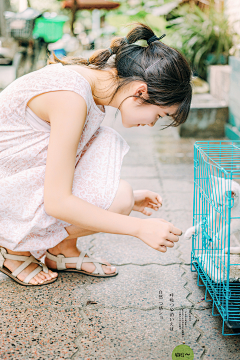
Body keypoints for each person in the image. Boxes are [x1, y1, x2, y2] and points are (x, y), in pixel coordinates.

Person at [0, 23, 192, 286]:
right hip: (6, 193)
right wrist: (139, 228)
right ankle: (14, 249)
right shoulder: (71, 98)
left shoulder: (87, 85)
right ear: (140, 92)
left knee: (119, 186)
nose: (151, 124)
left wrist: (130, 201)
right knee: (119, 198)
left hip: (15, 179)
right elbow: (57, 202)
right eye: (159, 115)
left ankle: (62, 250)